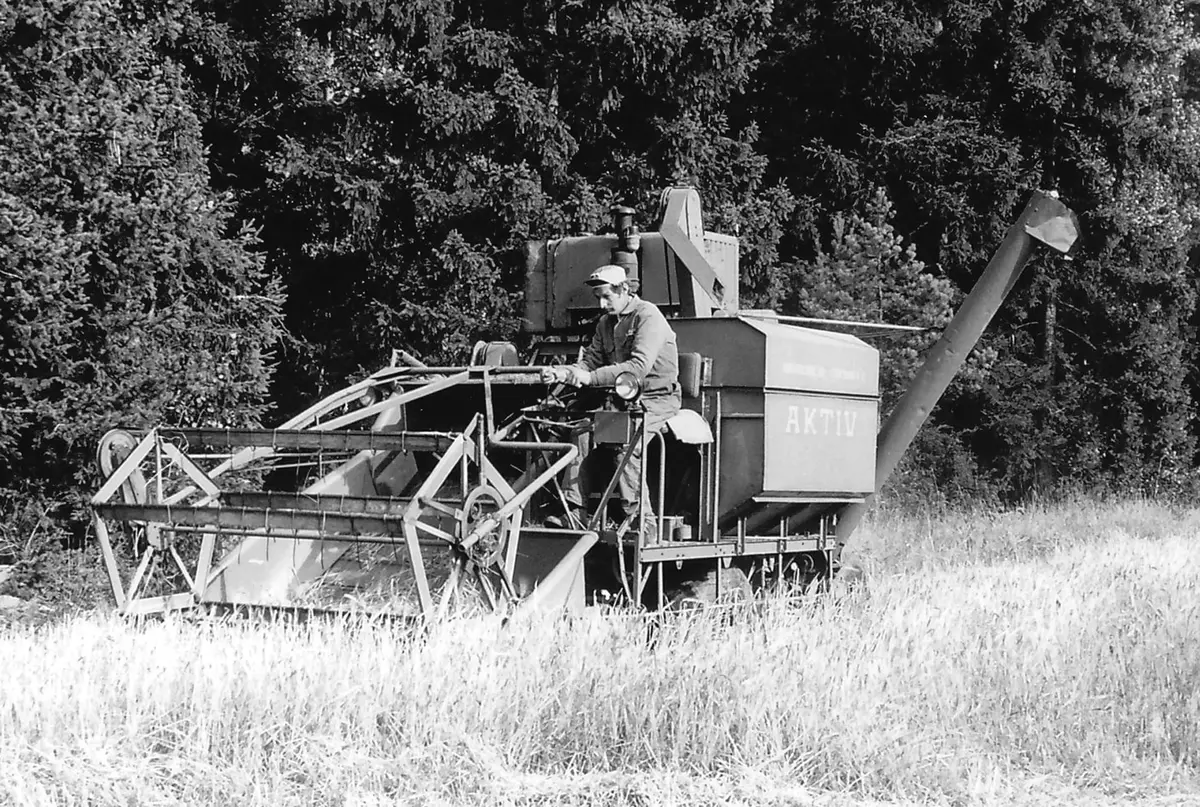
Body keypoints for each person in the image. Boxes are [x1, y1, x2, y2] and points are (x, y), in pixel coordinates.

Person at [541, 264, 681, 539]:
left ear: (625, 290)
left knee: (625, 443)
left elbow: (637, 367)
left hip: (656, 399)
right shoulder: (606, 323)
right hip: (620, 401)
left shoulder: (647, 316)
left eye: (607, 297)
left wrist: (589, 378)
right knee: (579, 434)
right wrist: (566, 372)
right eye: (599, 298)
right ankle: (575, 513)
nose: (603, 304)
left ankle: (643, 524)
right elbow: (591, 360)